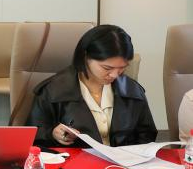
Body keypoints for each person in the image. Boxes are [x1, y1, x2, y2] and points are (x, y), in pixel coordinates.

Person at [28, 24, 156, 147]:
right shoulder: (53, 91)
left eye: (122, 68)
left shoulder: (133, 90)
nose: (115, 75)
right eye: (107, 68)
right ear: (85, 57)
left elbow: (147, 135)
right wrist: (52, 134)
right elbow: (33, 136)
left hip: (124, 161)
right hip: (75, 160)